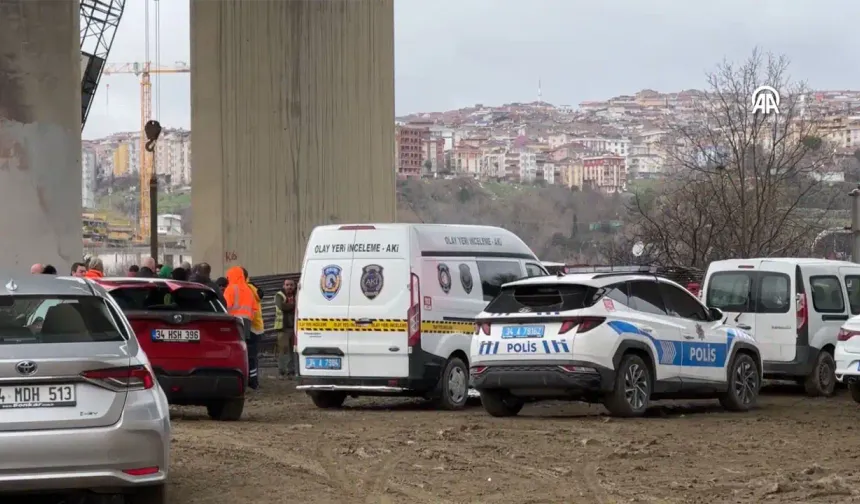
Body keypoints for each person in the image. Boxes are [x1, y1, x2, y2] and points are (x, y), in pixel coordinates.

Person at [224, 266, 261, 390]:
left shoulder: (230, 289)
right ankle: (252, 380)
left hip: (233, 322)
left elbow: (225, 307)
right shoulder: (248, 289)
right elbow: (255, 308)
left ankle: (235, 377)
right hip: (247, 323)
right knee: (247, 352)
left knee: (233, 350)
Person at [274, 279, 297, 378]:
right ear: (283, 286)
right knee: (283, 350)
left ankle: (291, 371)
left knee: (293, 350)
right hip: (282, 328)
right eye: (287, 285)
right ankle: (282, 371)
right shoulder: (279, 295)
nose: (289, 287)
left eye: (291, 285)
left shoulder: (297, 295)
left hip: (295, 327)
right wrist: (295, 306)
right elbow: (282, 307)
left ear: (294, 286)